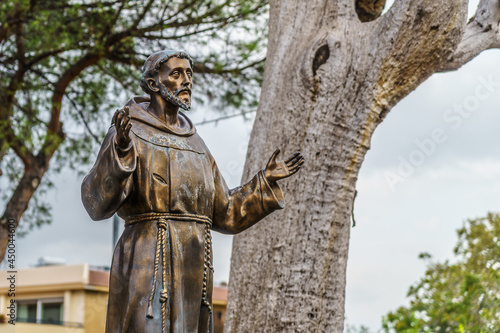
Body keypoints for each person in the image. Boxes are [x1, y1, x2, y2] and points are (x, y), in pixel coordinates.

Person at [81, 50, 304, 333]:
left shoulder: (197, 144)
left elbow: (225, 213)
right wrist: (121, 153)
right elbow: (95, 204)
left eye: (189, 74)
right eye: (176, 74)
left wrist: (264, 182)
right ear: (153, 84)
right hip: (147, 261)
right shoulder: (129, 132)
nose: (186, 81)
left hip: (193, 267)